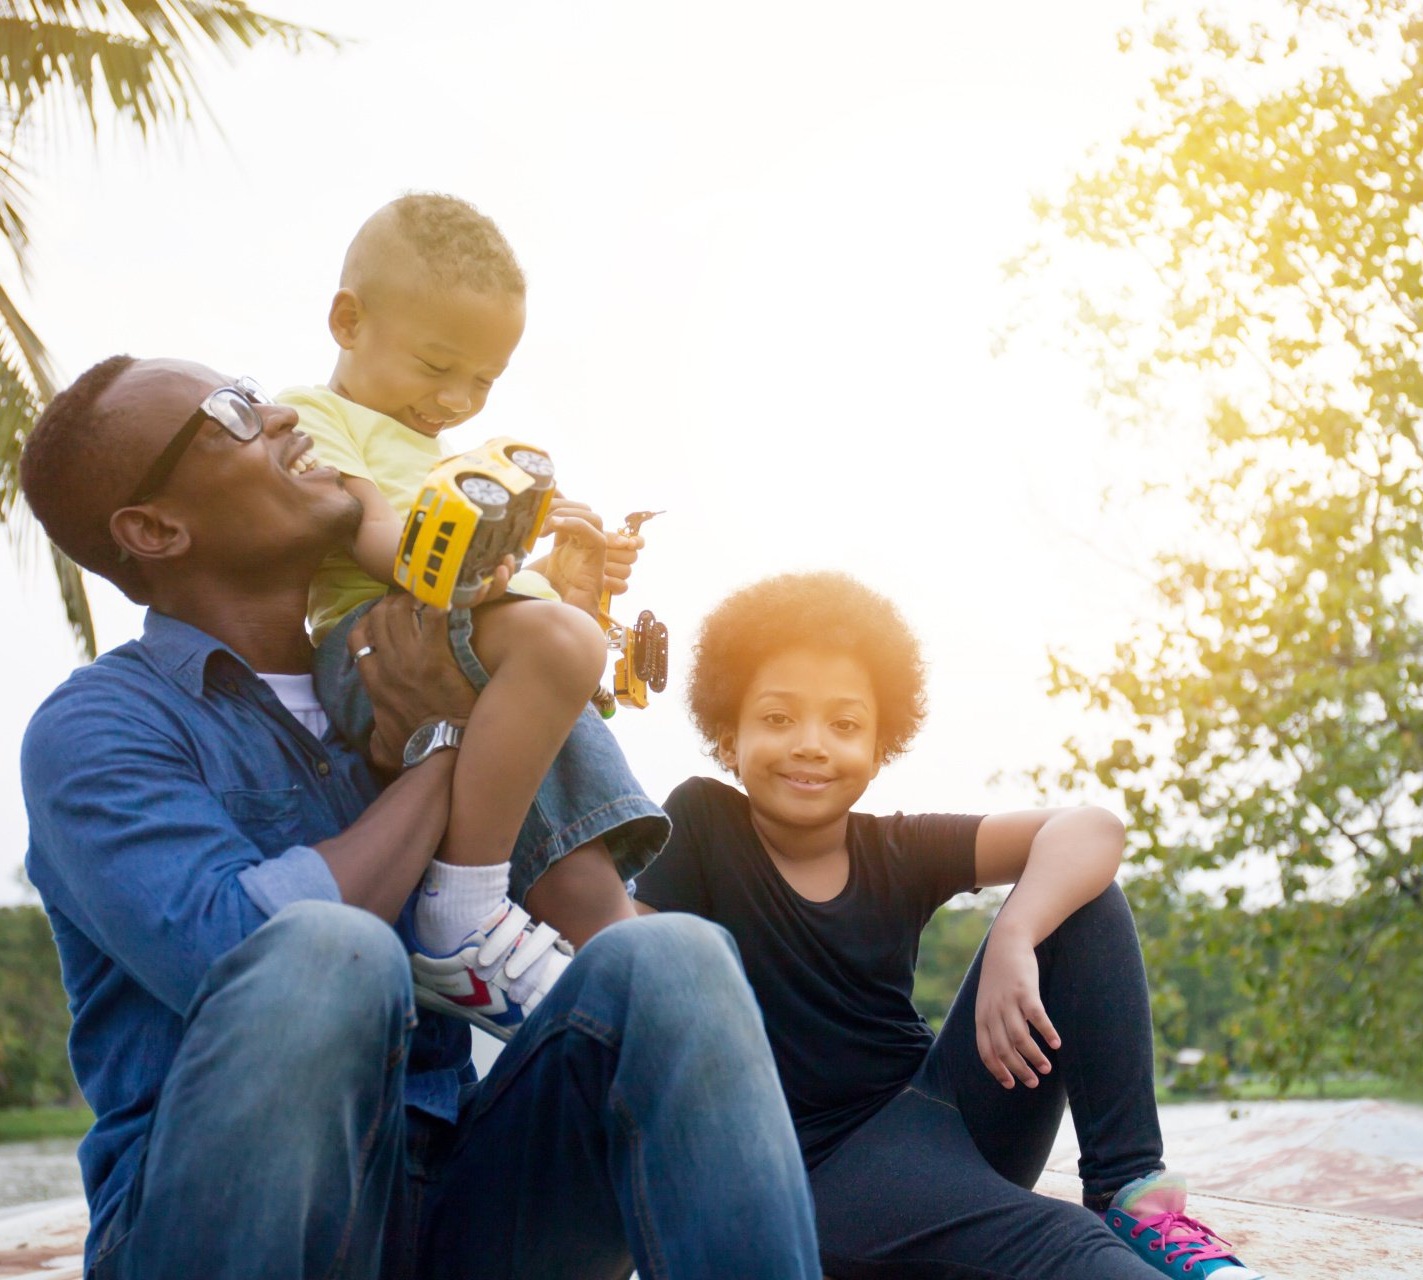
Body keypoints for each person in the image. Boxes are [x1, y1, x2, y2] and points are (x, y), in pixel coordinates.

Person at [18, 356, 819, 1279]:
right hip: (221, 1219)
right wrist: (447, 746)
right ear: (155, 528)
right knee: (329, 951)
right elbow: (233, 947)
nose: (283, 414)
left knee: (674, 958)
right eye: (233, 411)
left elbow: (572, 911)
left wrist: (535, 624)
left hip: (460, 1201)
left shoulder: (426, 657)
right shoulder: (99, 728)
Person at [633, 571, 1263, 1280]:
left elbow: (1091, 828)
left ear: (879, 748)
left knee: (1081, 896)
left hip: (950, 1113)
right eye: (778, 719)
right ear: (728, 737)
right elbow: (624, 963)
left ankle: (1129, 1192)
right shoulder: (702, 823)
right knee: (1065, 1248)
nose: (811, 745)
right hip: (825, 1172)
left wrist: (1016, 935)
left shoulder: (896, 847)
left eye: (844, 725)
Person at [278, 191, 667, 1037]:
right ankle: (462, 909)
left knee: (606, 911)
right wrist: (493, 583)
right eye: (435, 365)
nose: (456, 399)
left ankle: (605, 1044)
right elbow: (380, 540)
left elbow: (498, 607)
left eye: (483, 381)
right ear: (348, 321)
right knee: (557, 643)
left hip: (472, 649)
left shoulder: (446, 457)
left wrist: (567, 581)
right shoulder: (317, 416)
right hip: (377, 648)